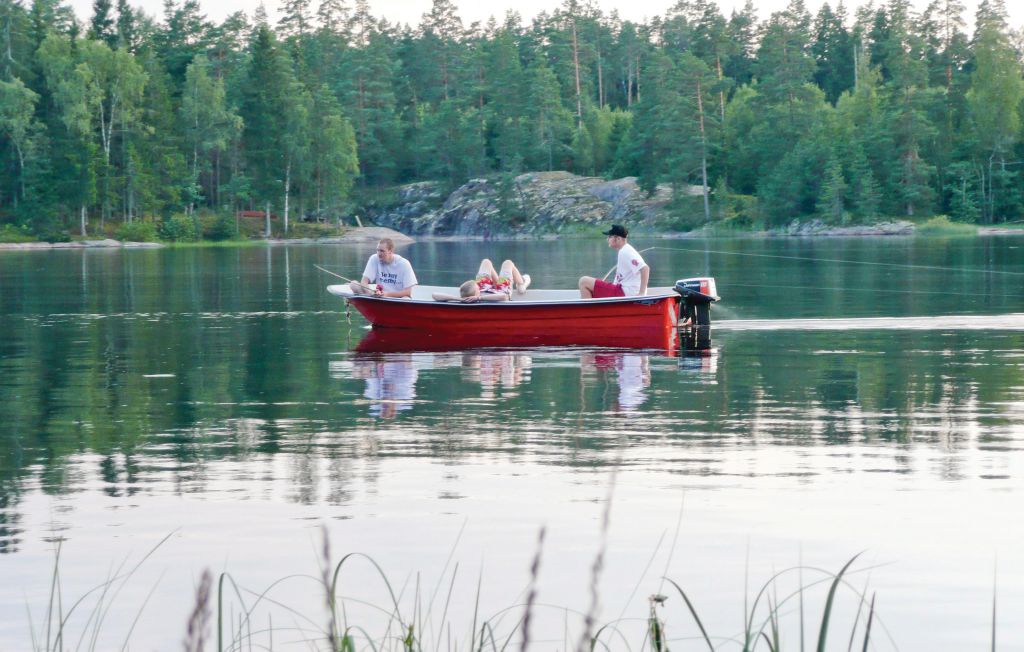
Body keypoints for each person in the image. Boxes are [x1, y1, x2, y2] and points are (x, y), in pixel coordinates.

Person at [578, 224, 649, 299]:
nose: (607, 239)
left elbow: (645, 268)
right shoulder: (624, 250)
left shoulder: (625, 251)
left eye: (610, 237)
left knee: (583, 281)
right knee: (590, 286)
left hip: (626, 292)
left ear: (618, 239)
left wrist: (642, 293)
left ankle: (588, 310)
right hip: (623, 290)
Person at [432, 258, 530, 302]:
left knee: (486, 262)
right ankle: (521, 284)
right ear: (476, 293)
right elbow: (504, 297)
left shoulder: (470, 296)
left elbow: (434, 295)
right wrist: (479, 298)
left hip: (485, 287)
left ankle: (495, 282)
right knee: (508, 263)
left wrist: (459, 299)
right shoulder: (479, 299)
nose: (476, 285)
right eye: (476, 287)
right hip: (501, 290)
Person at [349, 238, 417, 298]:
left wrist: (387, 294)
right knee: (353, 284)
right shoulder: (374, 258)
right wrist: (372, 293)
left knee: (406, 298)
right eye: (377, 250)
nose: (379, 254)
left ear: (390, 251)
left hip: (398, 298)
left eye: (382, 251)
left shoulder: (404, 264)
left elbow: (407, 292)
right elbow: (364, 282)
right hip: (379, 297)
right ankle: (371, 305)